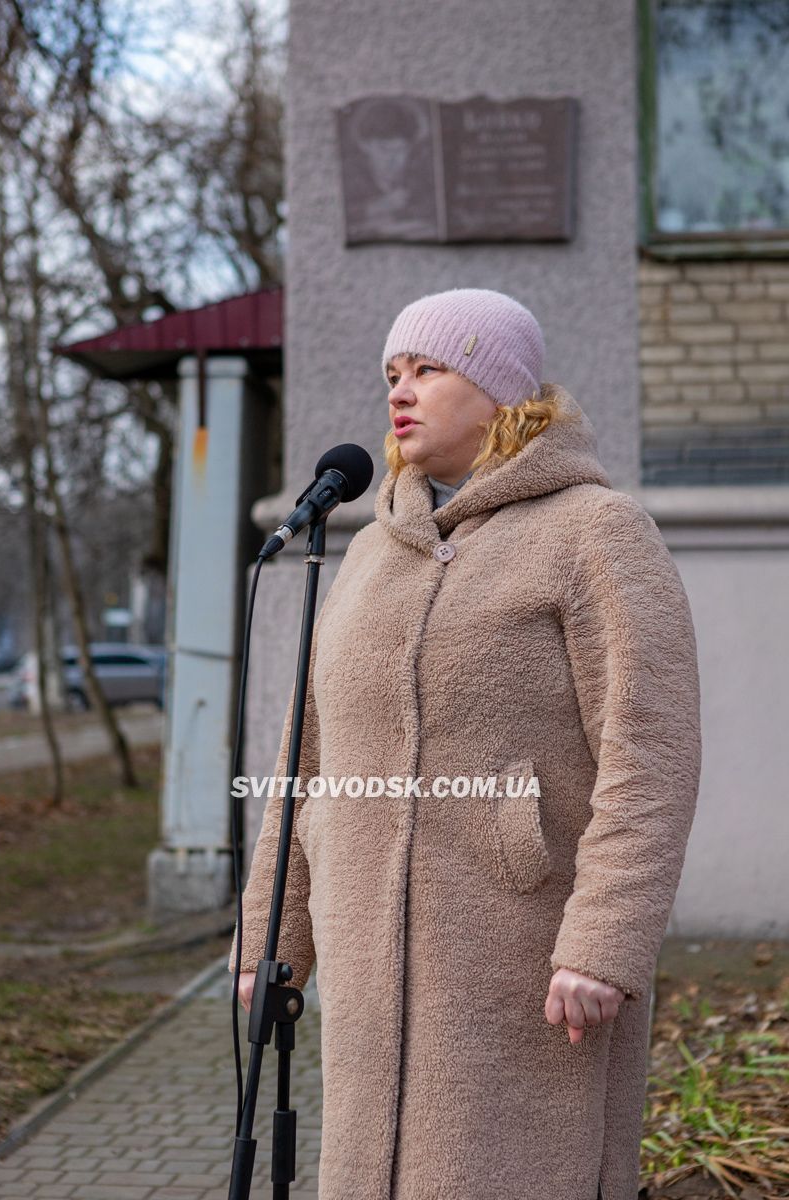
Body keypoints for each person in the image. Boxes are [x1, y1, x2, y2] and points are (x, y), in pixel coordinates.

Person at [231, 288, 702, 1200]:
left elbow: (653, 756)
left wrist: (603, 942)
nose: (401, 392)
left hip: (526, 967)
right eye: (392, 374)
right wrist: (268, 935)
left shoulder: (595, 534)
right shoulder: (369, 552)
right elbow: (307, 758)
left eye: (430, 369)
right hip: (366, 962)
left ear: (503, 389)